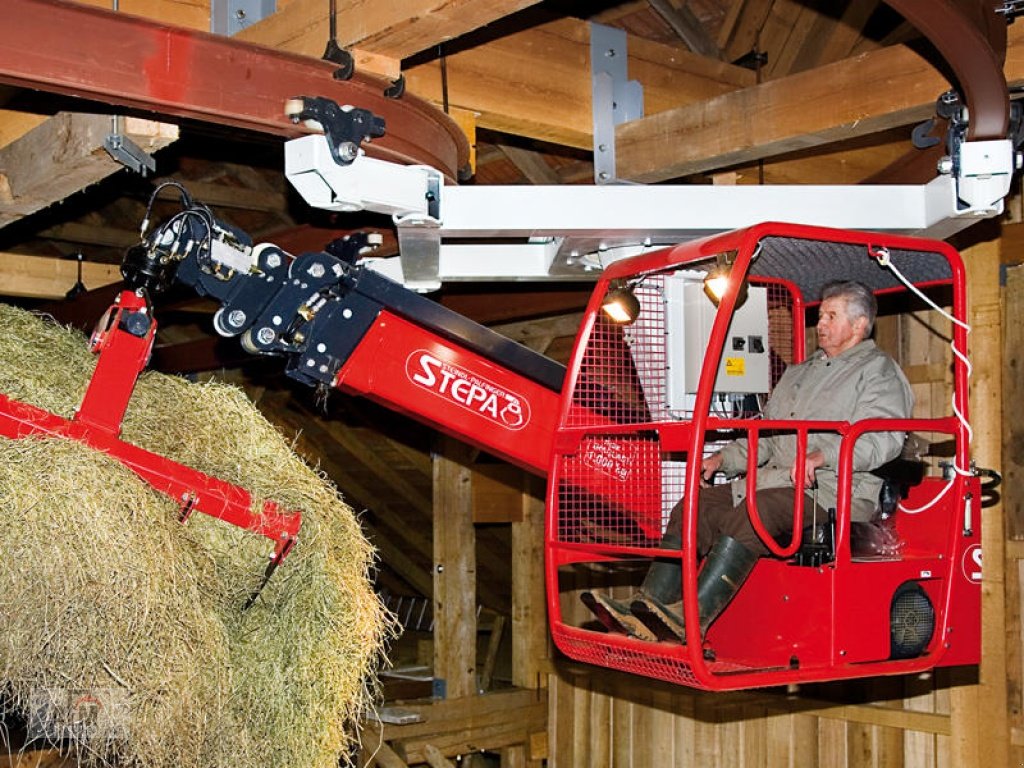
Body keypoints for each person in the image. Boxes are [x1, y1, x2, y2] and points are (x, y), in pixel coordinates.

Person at [581, 280, 914, 644]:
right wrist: (724, 458)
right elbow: (766, 436)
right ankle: (649, 606)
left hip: (835, 493)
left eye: (831, 316)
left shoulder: (878, 373)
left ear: (860, 325)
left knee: (757, 511)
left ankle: (692, 618)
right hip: (778, 482)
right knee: (697, 505)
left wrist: (824, 455)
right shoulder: (800, 373)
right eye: (820, 315)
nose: (820, 324)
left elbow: (883, 438)